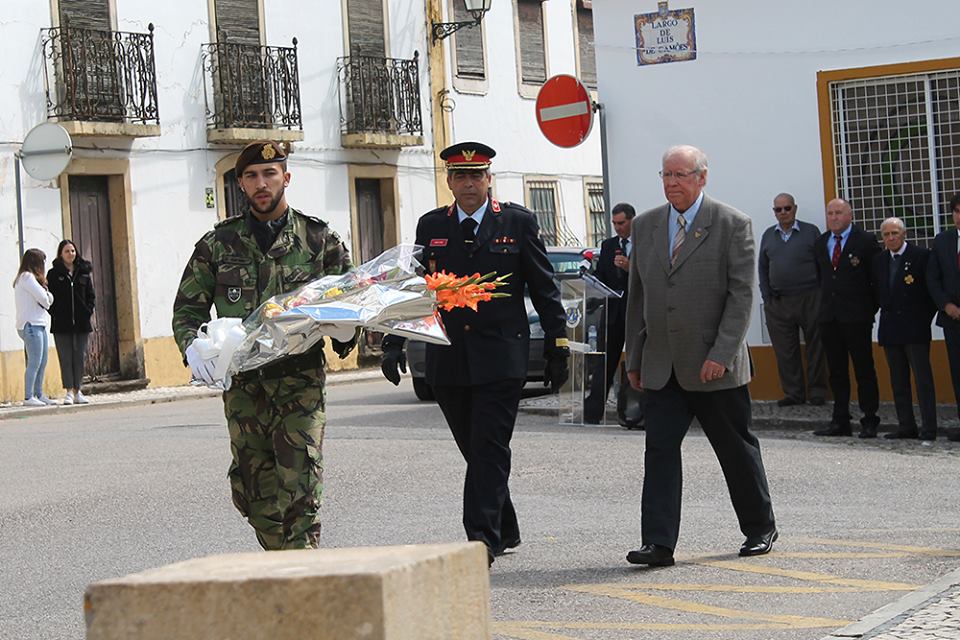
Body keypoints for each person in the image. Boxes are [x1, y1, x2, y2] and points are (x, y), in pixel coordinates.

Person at [380, 142, 570, 566]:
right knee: (474, 448)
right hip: (448, 358)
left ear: (489, 179)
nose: (468, 184)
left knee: (488, 447)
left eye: (476, 175)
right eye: (460, 177)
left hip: (501, 357)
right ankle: (506, 525)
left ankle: (481, 539)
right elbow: (414, 288)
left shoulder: (517, 223)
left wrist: (557, 342)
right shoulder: (432, 226)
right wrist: (394, 341)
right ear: (449, 181)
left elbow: (543, 286)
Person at [172, 140, 355, 550]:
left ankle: (302, 585)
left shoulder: (318, 240)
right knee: (253, 495)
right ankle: (284, 567)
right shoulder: (218, 245)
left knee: (301, 492)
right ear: (240, 183)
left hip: (299, 383)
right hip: (244, 390)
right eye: (252, 176)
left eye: (270, 174)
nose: (261, 183)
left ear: (286, 178)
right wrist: (194, 348)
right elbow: (187, 310)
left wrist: (346, 331)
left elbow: (353, 301)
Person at [624, 145, 777, 567]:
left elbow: (742, 295)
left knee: (735, 450)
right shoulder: (646, 225)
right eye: (666, 175)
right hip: (662, 364)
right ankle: (658, 543)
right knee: (658, 453)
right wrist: (633, 357)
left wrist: (722, 353)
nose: (672, 183)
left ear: (702, 177)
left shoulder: (732, 224)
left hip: (714, 366)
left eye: (681, 174)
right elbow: (638, 297)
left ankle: (760, 527)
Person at [812, 198, 881, 438]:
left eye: (839, 212)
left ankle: (869, 418)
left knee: (864, 369)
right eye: (830, 213)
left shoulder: (865, 241)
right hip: (830, 317)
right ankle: (840, 419)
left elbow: (876, 279)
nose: (834, 217)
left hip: (857, 317)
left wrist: (869, 309)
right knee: (837, 371)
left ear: (849, 215)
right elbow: (821, 279)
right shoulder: (821, 243)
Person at [757, 193, 827, 407]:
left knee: (816, 346)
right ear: (774, 212)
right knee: (785, 350)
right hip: (779, 301)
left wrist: (822, 294)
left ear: (794, 209)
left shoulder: (810, 231)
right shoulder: (769, 235)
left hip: (810, 297)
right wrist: (767, 296)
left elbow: (822, 263)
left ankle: (817, 392)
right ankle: (793, 393)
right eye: (778, 210)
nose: (783, 213)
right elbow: (763, 266)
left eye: (787, 208)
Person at [871, 217, 937, 441]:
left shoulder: (921, 256)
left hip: (915, 328)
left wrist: (922, 320)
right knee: (898, 381)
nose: (891, 238)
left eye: (895, 233)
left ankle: (929, 426)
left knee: (922, 381)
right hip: (891, 328)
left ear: (904, 234)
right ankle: (906, 425)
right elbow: (878, 292)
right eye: (887, 235)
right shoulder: (879, 260)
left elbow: (931, 294)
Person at [584, 202, 641, 427]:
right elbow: (601, 276)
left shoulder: (644, 243)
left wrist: (630, 267)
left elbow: (650, 275)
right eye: (614, 224)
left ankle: (639, 411)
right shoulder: (608, 246)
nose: (618, 228)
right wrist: (590, 281)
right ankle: (593, 412)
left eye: (622, 223)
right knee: (604, 363)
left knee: (639, 362)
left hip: (637, 313)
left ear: (632, 221)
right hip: (613, 313)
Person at [926, 192, 960, 442]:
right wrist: (946, 304)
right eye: (956, 211)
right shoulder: (943, 240)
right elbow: (933, 277)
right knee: (958, 372)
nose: (959, 216)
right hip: (952, 319)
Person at [47, 239, 96, 405]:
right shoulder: (54, 274)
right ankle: (68, 391)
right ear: (61, 254)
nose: (70, 254)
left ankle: (78, 390)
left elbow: (91, 296)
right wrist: (54, 314)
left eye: (73, 251)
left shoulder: (83, 272)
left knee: (79, 357)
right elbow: (49, 298)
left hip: (81, 323)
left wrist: (88, 311)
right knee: (65, 357)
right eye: (67, 251)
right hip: (61, 323)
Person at [14, 249, 56, 407]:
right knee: (34, 362)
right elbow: (45, 300)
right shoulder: (26, 277)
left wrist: (47, 296)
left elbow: (47, 298)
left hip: (39, 324)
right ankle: (28, 396)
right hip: (30, 325)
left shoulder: (30, 279)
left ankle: (39, 394)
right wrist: (47, 296)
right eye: (42, 262)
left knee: (43, 360)